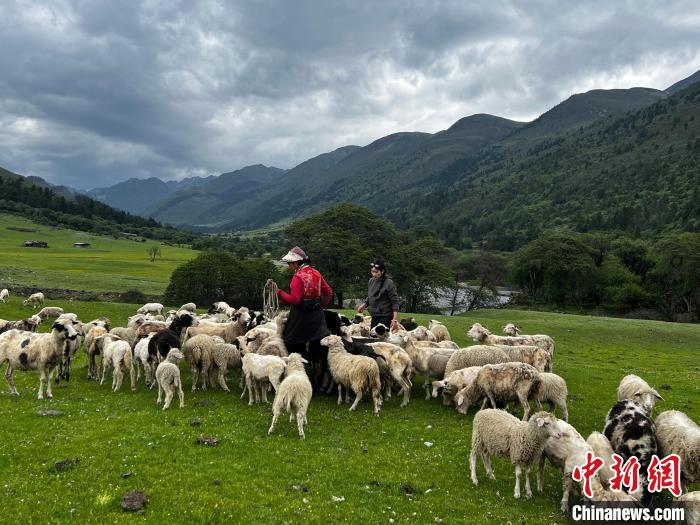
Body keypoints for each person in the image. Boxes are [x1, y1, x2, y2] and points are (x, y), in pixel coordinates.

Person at [266, 246, 333, 375]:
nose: (289, 266)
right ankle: (317, 373)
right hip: (317, 318)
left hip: (301, 317)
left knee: (292, 343)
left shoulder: (298, 277)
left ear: (296, 263)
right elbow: (328, 292)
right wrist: (320, 307)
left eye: (290, 263)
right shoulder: (316, 273)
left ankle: (298, 372)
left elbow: (294, 300)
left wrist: (277, 292)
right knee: (317, 345)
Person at [357, 260, 400, 330]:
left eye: (376, 272)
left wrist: (394, 320)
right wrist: (364, 305)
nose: (374, 274)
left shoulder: (389, 283)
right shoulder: (371, 281)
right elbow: (370, 296)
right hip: (374, 315)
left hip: (385, 316)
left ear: (382, 271)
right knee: (372, 335)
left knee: (381, 336)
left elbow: (395, 302)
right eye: (372, 271)